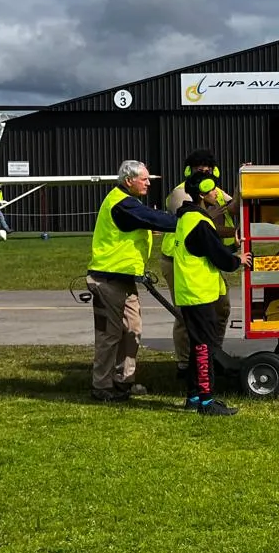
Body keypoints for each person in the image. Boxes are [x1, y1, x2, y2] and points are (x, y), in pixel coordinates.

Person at [87, 160, 177, 402]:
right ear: (129, 181)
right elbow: (153, 219)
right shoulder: (122, 205)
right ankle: (102, 386)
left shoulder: (129, 202)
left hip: (125, 280)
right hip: (107, 280)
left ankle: (123, 382)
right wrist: (186, 222)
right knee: (109, 335)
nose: (148, 182)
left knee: (133, 330)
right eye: (144, 179)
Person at [171, 171, 252, 415]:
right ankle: (207, 402)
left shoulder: (188, 218)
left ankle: (193, 398)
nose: (217, 193)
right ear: (202, 194)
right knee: (205, 348)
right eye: (212, 189)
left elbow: (207, 249)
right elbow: (219, 259)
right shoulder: (201, 223)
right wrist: (237, 260)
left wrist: (231, 247)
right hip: (200, 294)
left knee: (198, 347)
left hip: (190, 293)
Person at [159, 149, 237, 374]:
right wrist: (233, 240)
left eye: (208, 168)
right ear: (188, 171)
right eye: (199, 168)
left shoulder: (213, 191)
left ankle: (213, 354)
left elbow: (234, 206)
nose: (204, 171)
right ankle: (185, 364)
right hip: (178, 261)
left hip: (205, 258)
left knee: (221, 308)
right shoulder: (181, 194)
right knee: (187, 315)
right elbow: (202, 228)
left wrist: (242, 183)